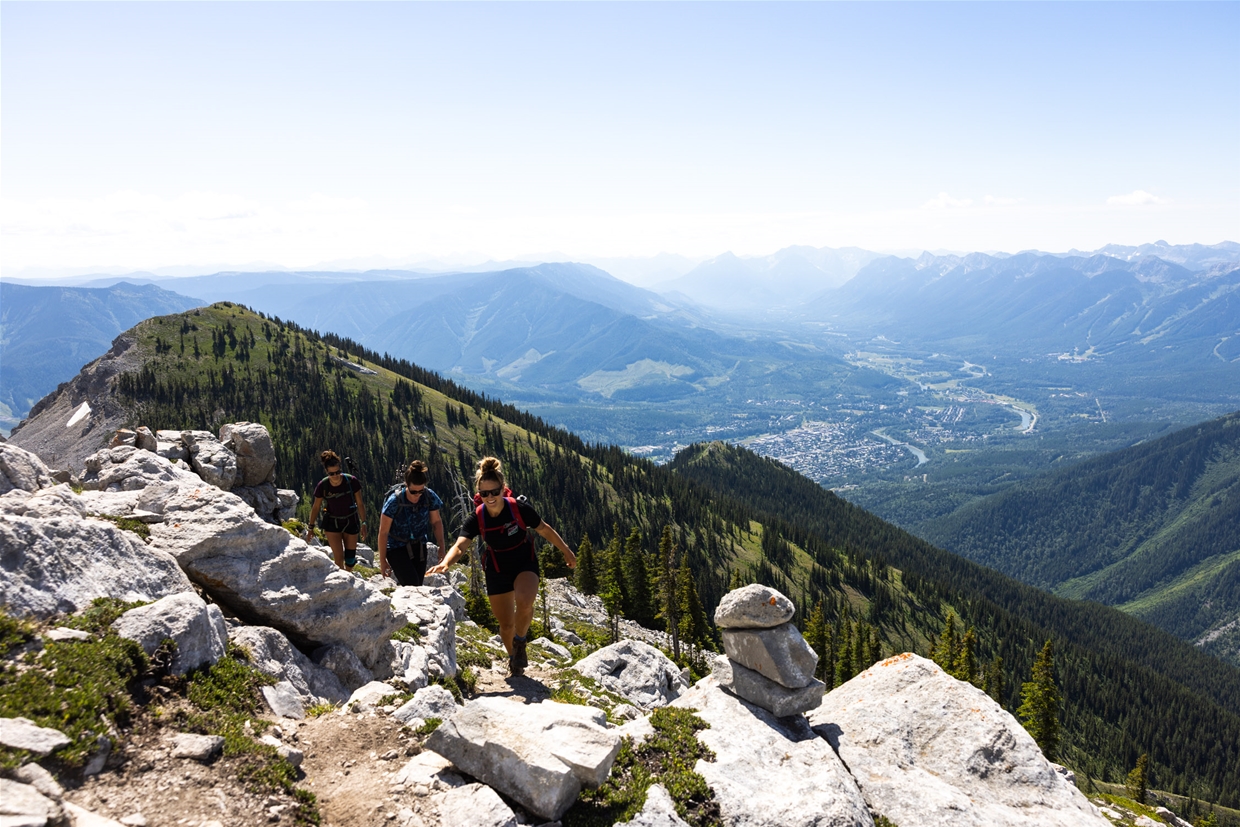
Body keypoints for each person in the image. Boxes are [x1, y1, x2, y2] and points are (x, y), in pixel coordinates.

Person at [429, 456, 577, 677]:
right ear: (479, 494)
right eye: (484, 493)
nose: (490, 497)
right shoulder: (477, 517)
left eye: (494, 492)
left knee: (525, 601)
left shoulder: (519, 508)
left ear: (503, 489)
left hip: (524, 561)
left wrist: (566, 550)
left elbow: (544, 529)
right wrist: (446, 563)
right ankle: (513, 658)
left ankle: (520, 641)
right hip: (496, 568)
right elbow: (460, 545)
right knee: (506, 624)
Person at [376, 459, 447, 587]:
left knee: (418, 585)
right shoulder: (394, 501)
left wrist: (441, 547)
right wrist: (383, 561)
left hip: (419, 546)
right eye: (414, 491)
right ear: (406, 484)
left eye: (421, 491)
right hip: (396, 547)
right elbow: (383, 531)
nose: (417, 495)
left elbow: (436, 522)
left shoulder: (429, 496)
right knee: (411, 583)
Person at [305, 450, 367, 571]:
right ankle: (344, 584)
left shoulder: (351, 481)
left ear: (340, 469)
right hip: (332, 523)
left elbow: (360, 503)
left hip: (351, 521)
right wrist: (310, 527)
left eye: (338, 472)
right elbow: (316, 507)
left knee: (350, 559)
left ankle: (348, 577)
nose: (335, 476)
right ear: (327, 472)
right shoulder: (323, 485)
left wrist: (364, 522)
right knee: (338, 560)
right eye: (331, 474)